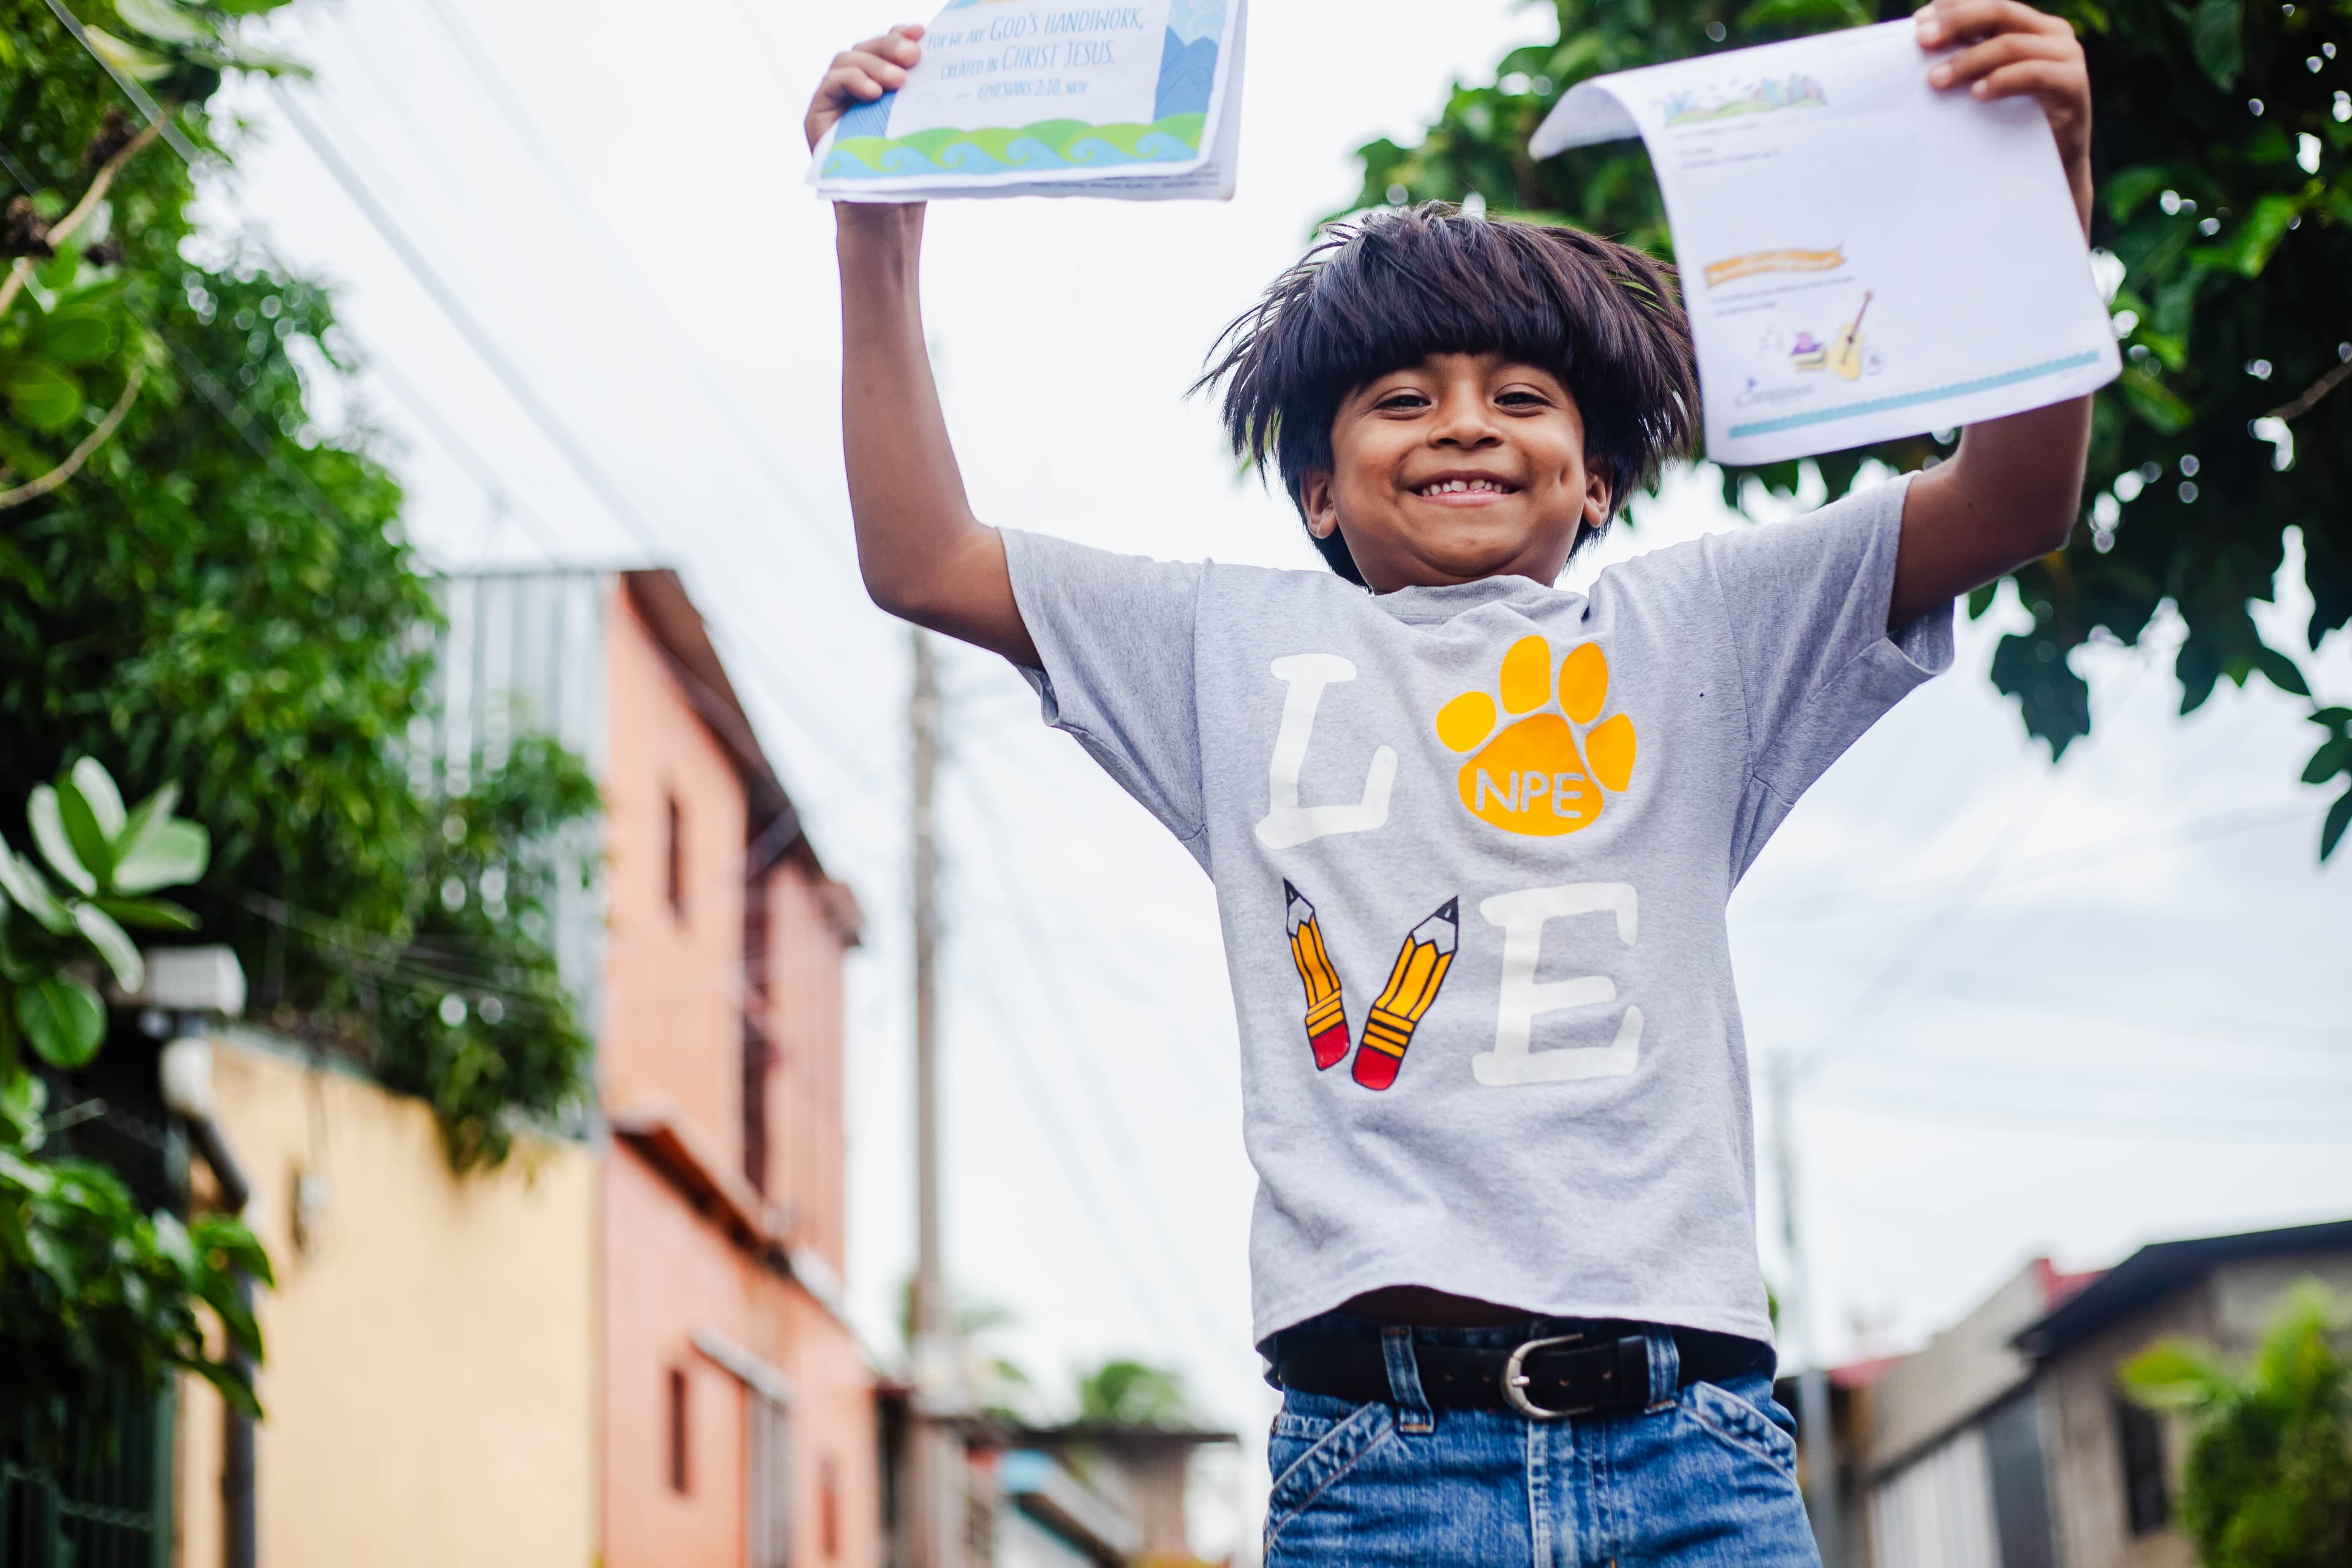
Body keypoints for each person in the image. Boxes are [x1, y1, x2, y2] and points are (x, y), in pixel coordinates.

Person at [807, 2, 2095, 1559]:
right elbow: (926, 557)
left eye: (1523, 396)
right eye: (1402, 399)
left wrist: (2044, 192)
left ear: (1600, 473)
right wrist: (874, 238)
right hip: (1381, 1460)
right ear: (1317, 485)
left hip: (1696, 1452)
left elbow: (2013, 496)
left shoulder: (1705, 634)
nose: (1466, 423)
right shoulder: (1222, 646)